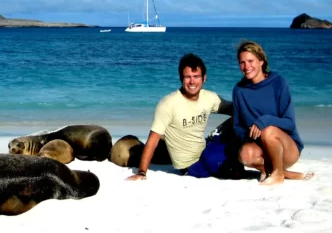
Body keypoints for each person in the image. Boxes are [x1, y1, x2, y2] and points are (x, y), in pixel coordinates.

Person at [126, 53, 233, 181]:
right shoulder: (169, 103)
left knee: (238, 119)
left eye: (196, 76)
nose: (192, 81)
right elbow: (153, 141)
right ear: (181, 78)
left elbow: (236, 109)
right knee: (230, 165)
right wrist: (142, 172)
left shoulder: (209, 97)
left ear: (204, 78)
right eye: (187, 77)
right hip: (190, 164)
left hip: (206, 149)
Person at [233, 40, 312, 185]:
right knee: (245, 155)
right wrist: (249, 136)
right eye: (242, 62)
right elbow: (237, 126)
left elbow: (289, 124)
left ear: (261, 61)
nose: (246, 66)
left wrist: (264, 121)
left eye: (251, 61)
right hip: (261, 149)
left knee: (268, 131)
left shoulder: (278, 82)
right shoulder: (239, 90)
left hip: (287, 148)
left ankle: (278, 175)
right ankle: (283, 172)